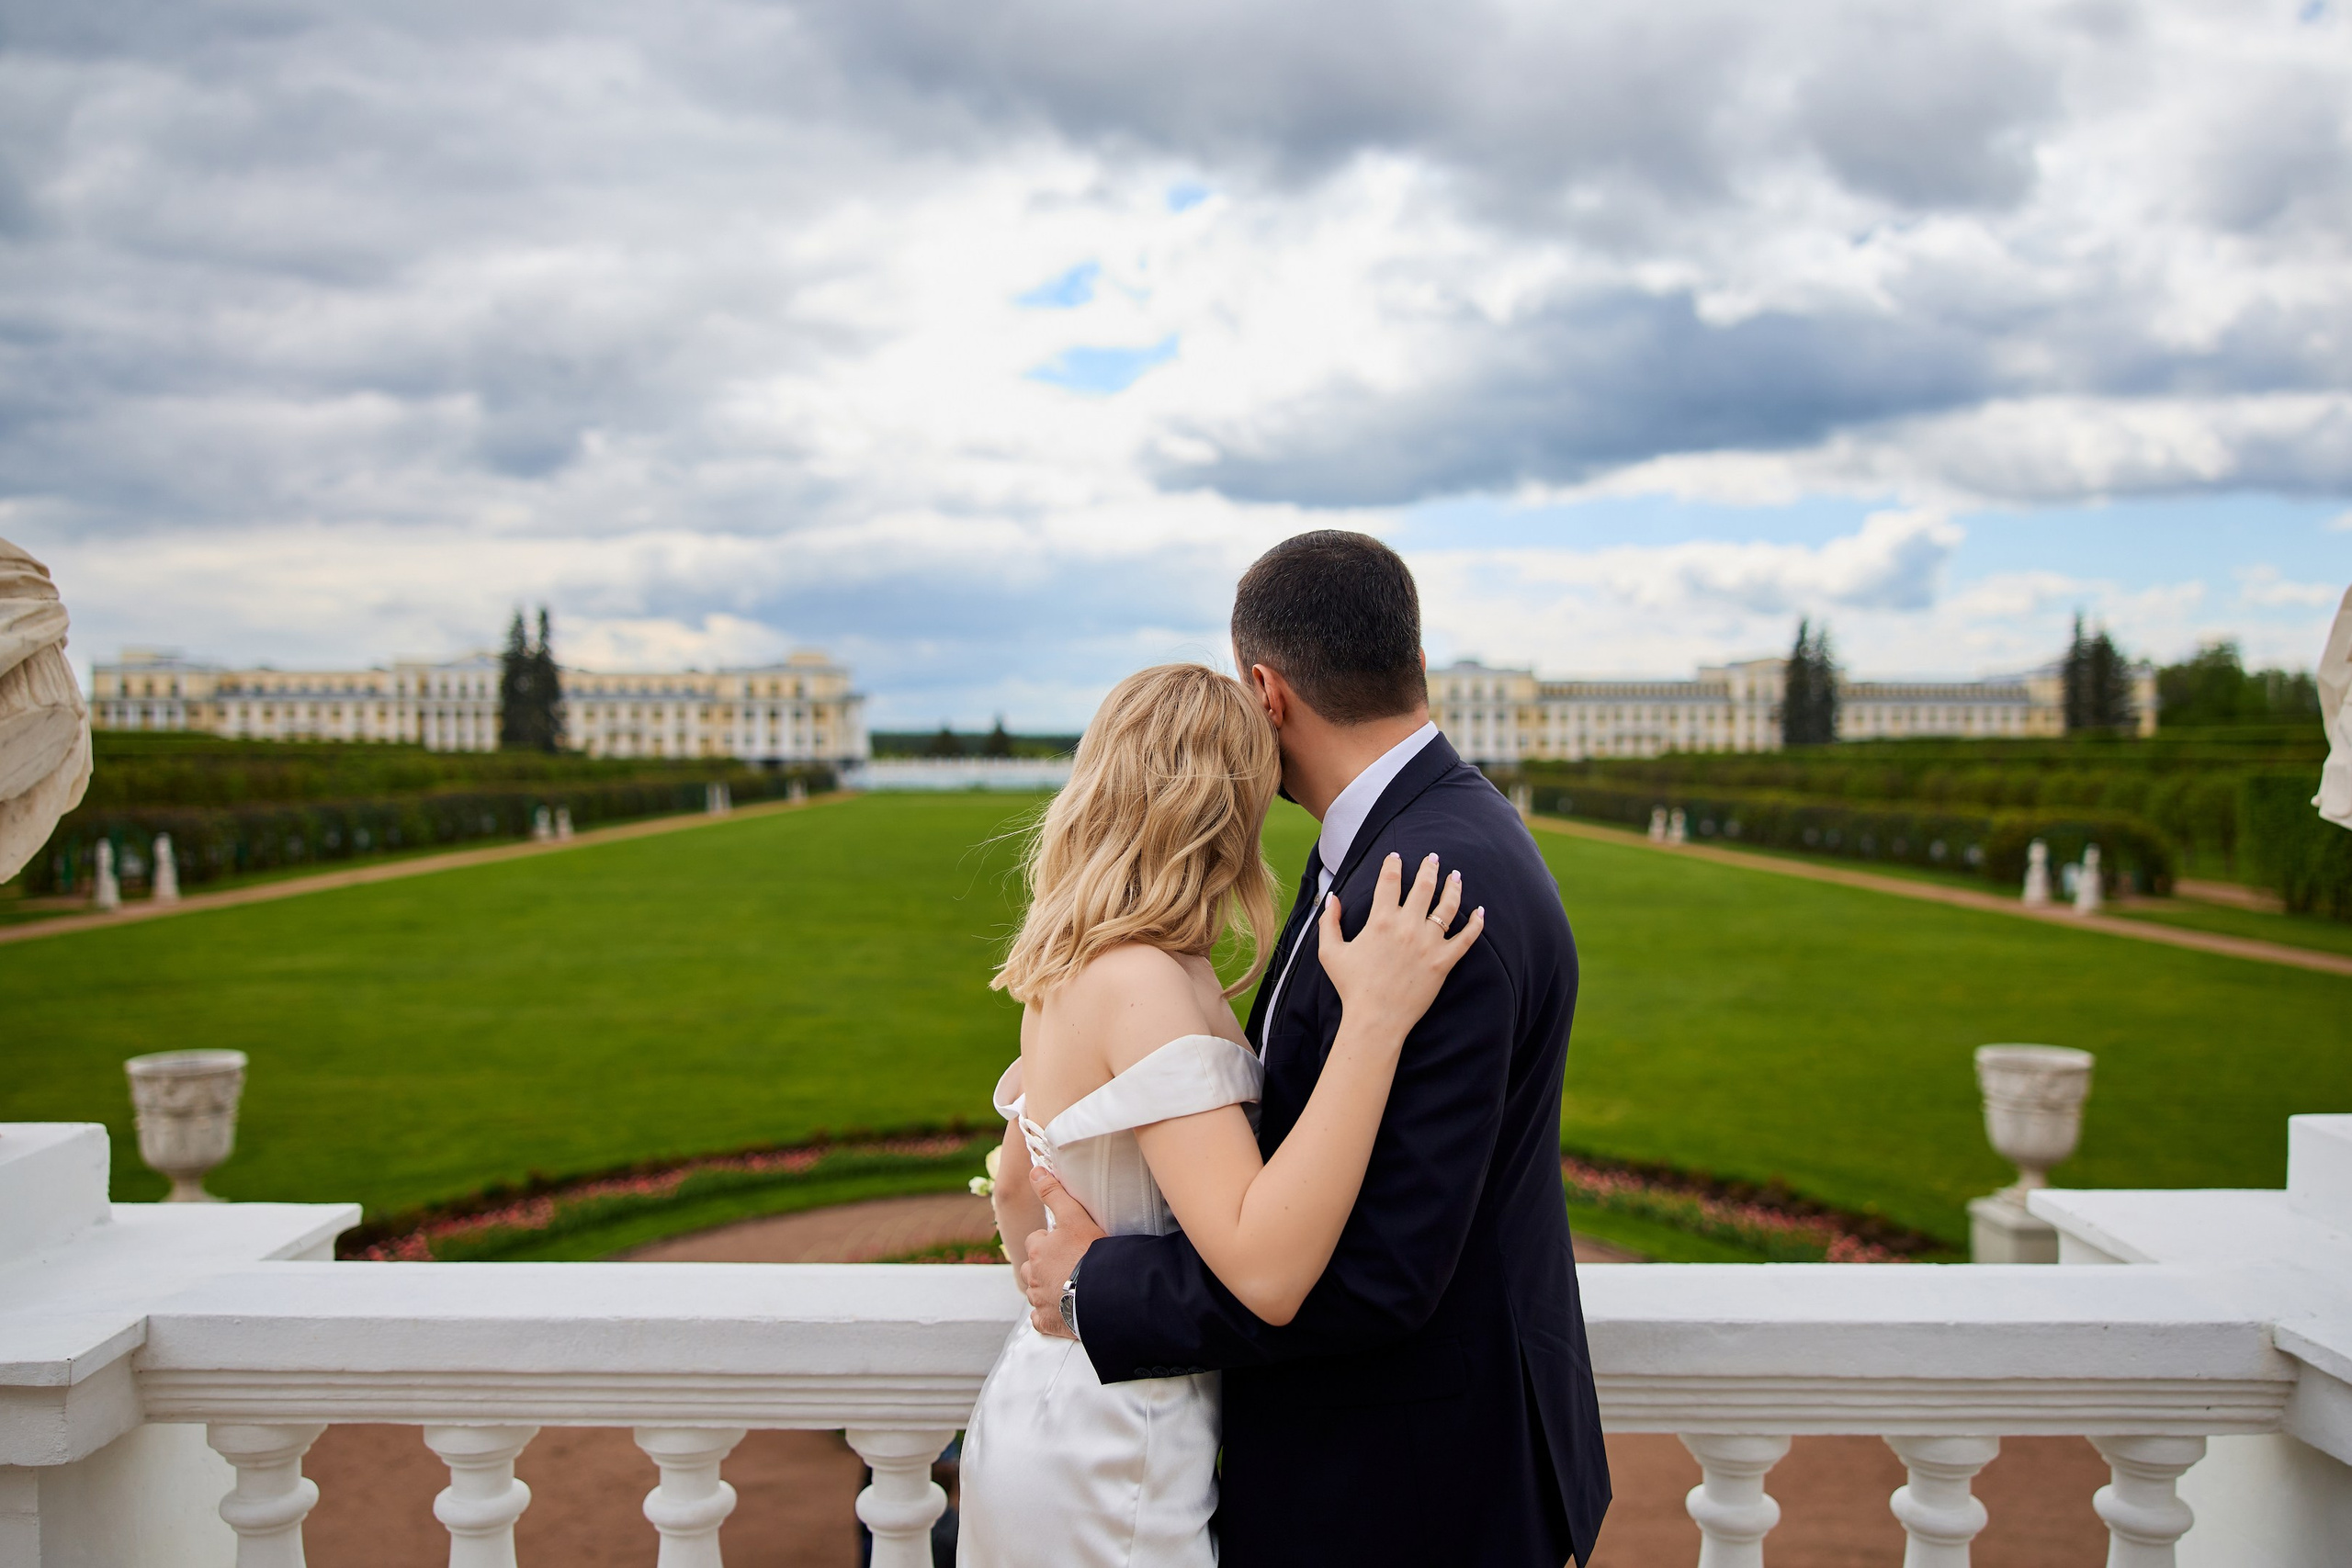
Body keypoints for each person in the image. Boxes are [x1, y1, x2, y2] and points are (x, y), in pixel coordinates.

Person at [1016, 531, 1610, 1566]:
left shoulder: (1418, 884)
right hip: (1409, 1464)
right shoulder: (1420, 839)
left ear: (1266, 690)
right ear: (1415, 665)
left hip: (1408, 1490)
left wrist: (1097, 1289)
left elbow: (1380, 1268)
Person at [958, 660, 1487, 1568]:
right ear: (1229, 809)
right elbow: (1267, 1270)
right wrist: (1374, 1020)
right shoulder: (1148, 982)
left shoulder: (1069, 963)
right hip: (1121, 1442)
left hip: (1038, 1406)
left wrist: (1065, 1292)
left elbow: (1014, 1187)